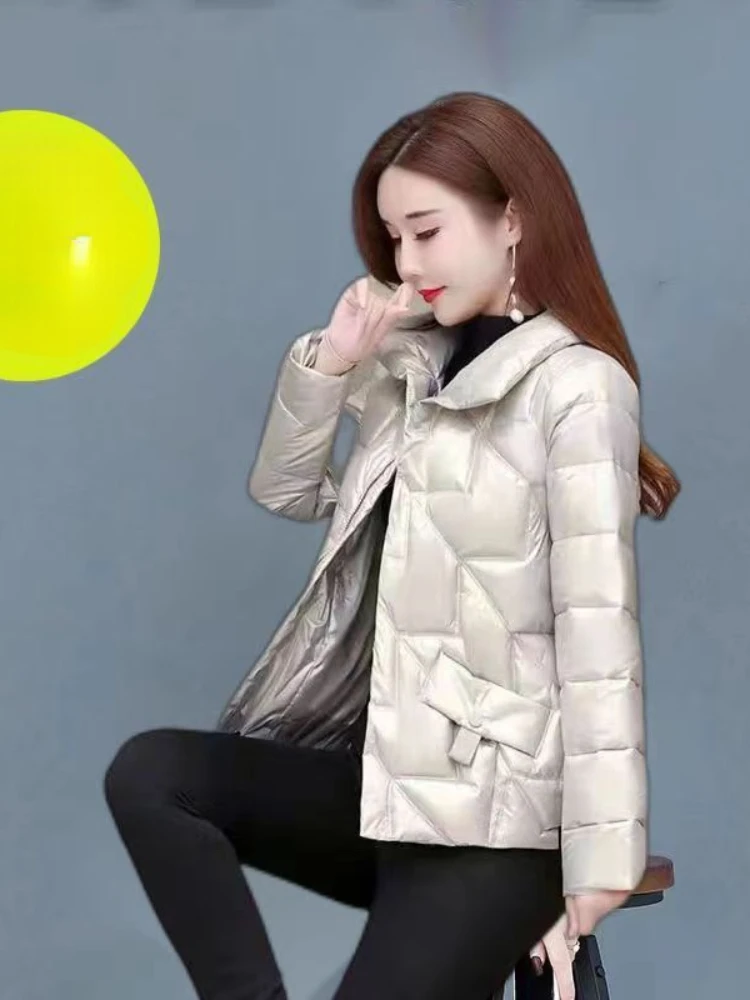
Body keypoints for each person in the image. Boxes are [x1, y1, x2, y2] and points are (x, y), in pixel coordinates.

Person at [103, 91, 680, 1000]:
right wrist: (332, 363)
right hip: (387, 790)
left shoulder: (577, 387)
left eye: (427, 232)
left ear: (513, 220)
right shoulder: (408, 364)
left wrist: (594, 871)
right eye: (392, 238)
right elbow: (288, 492)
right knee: (153, 775)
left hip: (497, 829)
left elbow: (597, 633)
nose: (406, 262)